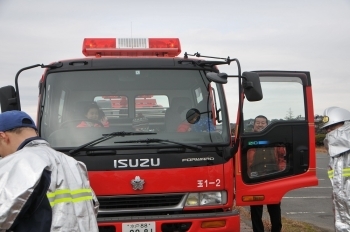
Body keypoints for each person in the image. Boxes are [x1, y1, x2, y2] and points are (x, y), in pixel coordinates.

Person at [0, 110, 99, 231]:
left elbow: (2, 215)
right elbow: (93, 208)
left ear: (3, 136)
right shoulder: (73, 163)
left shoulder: (18, 163)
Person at [248, 115, 286, 232]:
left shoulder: (274, 138)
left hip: (272, 178)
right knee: (255, 211)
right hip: (254, 179)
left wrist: (281, 171)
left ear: (267, 124)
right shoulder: (247, 139)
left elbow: (282, 156)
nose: (260, 125)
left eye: (263, 123)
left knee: (275, 209)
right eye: (257, 122)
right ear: (254, 125)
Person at [321, 106, 350, 232]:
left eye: (333, 127)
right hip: (342, 208)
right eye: (327, 128)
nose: (329, 131)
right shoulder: (335, 154)